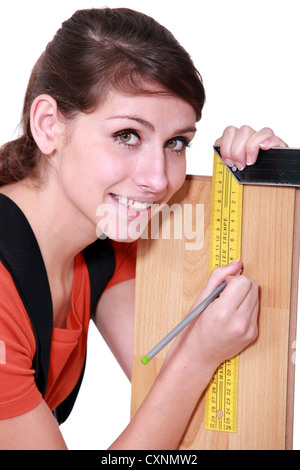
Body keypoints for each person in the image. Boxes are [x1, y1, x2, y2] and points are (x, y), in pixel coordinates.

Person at [0, 7, 287, 450]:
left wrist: (268, 196)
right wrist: (196, 356)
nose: (158, 178)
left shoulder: (102, 245)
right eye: (128, 135)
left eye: (176, 143)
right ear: (48, 125)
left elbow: (185, 391)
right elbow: (185, 369)